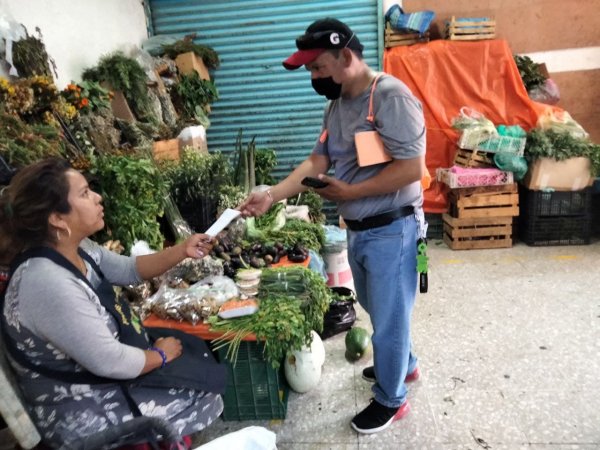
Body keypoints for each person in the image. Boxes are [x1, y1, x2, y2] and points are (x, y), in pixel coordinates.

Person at [240, 18, 426, 434]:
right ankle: (405, 368)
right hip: (359, 227)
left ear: (346, 55)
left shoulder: (390, 97)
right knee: (380, 309)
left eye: (318, 67)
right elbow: (317, 161)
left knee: (391, 318)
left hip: (392, 229)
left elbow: (413, 168)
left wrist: (351, 194)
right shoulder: (337, 104)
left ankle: (393, 399)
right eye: (309, 69)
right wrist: (272, 193)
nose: (313, 76)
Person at [0, 158, 226, 448]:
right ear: (57, 218)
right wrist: (160, 356)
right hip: (80, 406)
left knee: (198, 357)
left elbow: (130, 269)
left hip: (99, 374)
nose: (97, 197)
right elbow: (112, 361)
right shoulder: (46, 282)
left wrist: (183, 249)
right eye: (84, 193)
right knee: (201, 394)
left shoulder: (76, 248)